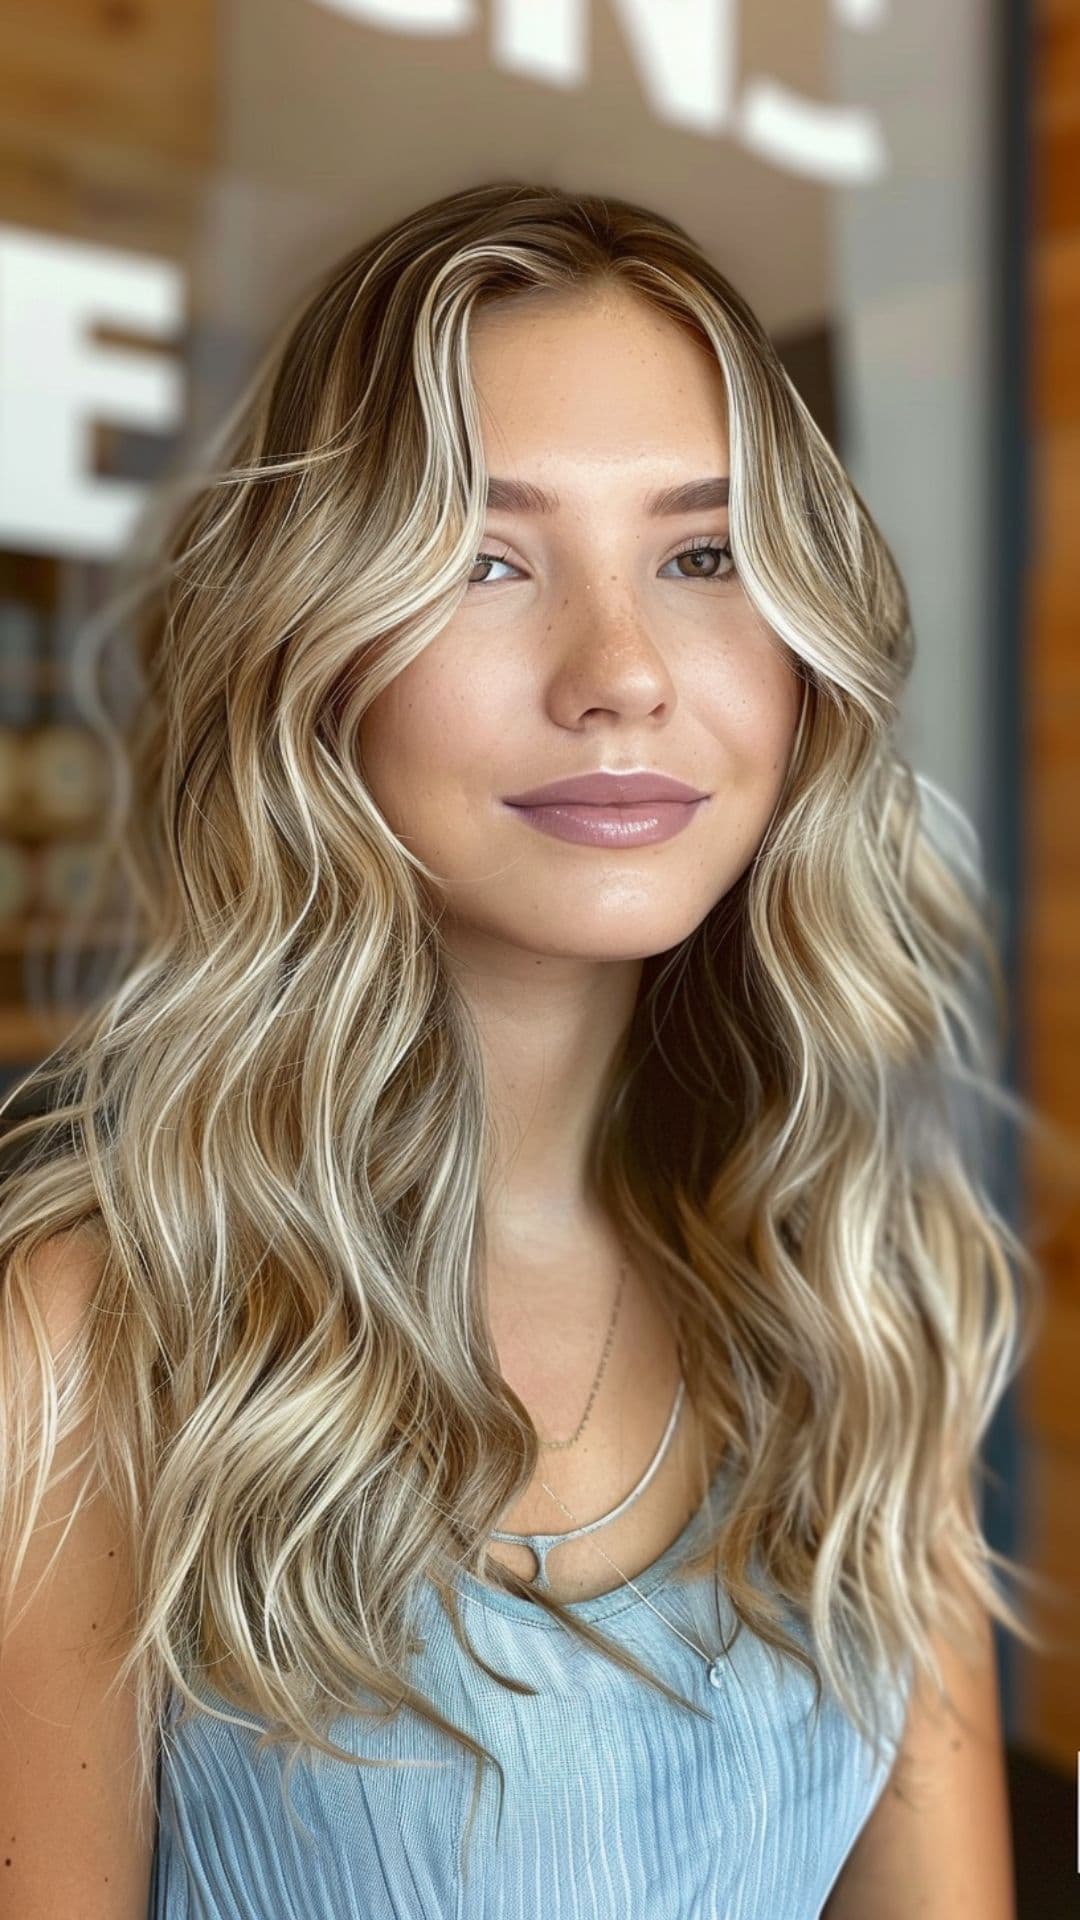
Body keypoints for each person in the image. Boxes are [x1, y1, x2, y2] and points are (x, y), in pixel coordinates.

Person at [0, 182, 1039, 1919]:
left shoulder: (855, 1290)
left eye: (703, 556)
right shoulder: (90, 1354)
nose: (621, 671)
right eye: (488, 559)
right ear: (313, 656)